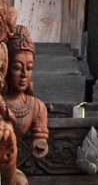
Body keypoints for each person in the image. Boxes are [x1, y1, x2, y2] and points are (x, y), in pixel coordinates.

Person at [4, 26, 49, 185]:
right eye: (17, 67)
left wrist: (40, 144)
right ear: (6, 69)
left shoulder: (36, 107)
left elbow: (40, 137)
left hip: (10, 164)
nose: (24, 74)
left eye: (29, 68)